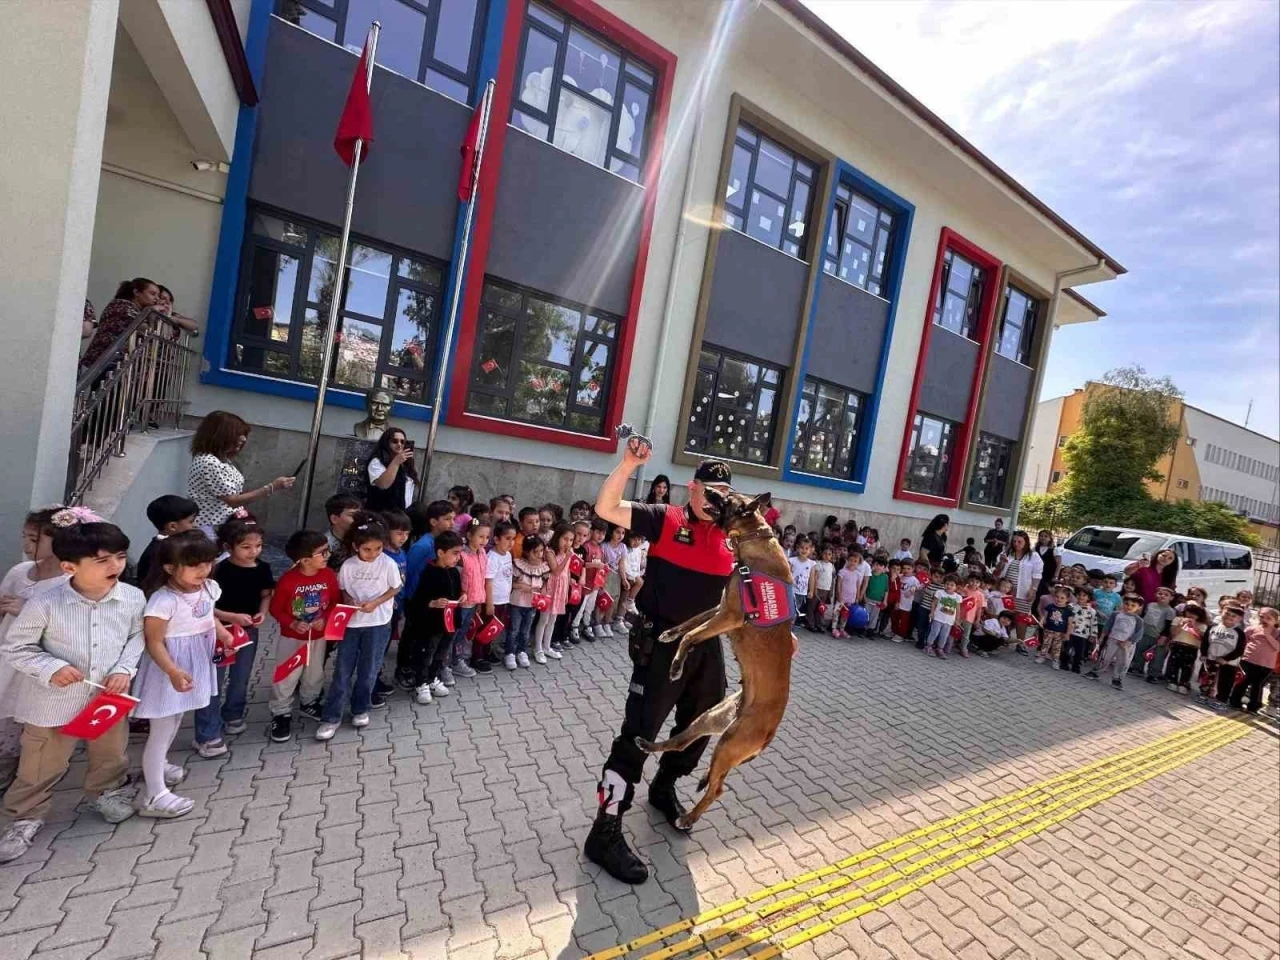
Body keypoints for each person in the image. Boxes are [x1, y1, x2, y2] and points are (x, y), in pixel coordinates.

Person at [587, 441, 736, 885]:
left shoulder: (733, 533)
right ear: (692, 489)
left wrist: (779, 632)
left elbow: (756, 585)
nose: (714, 500)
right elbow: (606, 507)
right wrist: (629, 464)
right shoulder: (666, 518)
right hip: (662, 644)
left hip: (706, 643)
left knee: (704, 722)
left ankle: (665, 785)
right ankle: (604, 832)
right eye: (708, 491)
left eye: (723, 494)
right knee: (639, 734)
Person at [0, 517, 143, 863]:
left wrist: (124, 669)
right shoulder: (45, 601)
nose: (115, 566)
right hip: (51, 701)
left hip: (106, 697)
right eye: (102, 560)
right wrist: (52, 668)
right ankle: (24, 816)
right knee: (40, 761)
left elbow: (136, 637)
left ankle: (107, 792)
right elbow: (16, 647)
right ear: (69, 567)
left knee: (110, 752)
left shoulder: (132, 597)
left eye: (120, 556)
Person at [135, 531, 229, 815]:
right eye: (193, 565)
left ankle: (160, 764)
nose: (203, 570)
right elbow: (154, 641)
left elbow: (209, 616)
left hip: (194, 663)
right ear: (169, 567)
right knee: (161, 729)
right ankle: (155, 795)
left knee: (176, 719)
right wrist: (173, 671)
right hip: (169, 669)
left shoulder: (208, 587)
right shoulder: (163, 600)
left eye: (208, 563)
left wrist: (224, 634)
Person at [317, 519, 402, 740]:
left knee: (369, 669)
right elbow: (343, 589)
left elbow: (395, 588)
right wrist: (349, 600)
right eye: (367, 549)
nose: (373, 554)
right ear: (356, 546)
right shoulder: (349, 566)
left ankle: (360, 708)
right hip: (352, 624)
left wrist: (376, 603)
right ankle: (331, 717)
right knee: (343, 670)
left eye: (378, 548)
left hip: (378, 624)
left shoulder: (388, 564)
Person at [201, 519, 274, 743]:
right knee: (215, 678)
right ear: (228, 547)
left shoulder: (263, 568)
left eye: (258, 546)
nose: (254, 552)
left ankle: (233, 714)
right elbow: (205, 606)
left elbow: (266, 595)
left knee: (241, 676)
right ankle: (210, 723)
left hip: (249, 631)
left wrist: (262, 613)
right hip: (219, 631)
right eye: (246, 547)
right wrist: (230, 617)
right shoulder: (218, 570)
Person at [267, 531, 340, 742]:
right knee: (287, 675)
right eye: (322, 552)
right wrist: (292, 623)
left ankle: (310, 702)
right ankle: (281, 713)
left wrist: (325, 618)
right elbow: (276, 609)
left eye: (327, 550)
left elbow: (334, 602)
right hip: (292, 638)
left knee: (314, 672)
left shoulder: (328, 575)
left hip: (318, 636)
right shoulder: (288, 580)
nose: (328, 555)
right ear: (305, 559)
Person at [187, 412, 294, 532]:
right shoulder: (209, 462)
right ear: (220, 435)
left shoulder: (221, 459)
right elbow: (232, 501)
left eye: (244, 434)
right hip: (212, 526)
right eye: (238, 434)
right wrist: (272, 487)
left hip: (224, 525)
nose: (243, 439)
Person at [403, 530, 463, 704]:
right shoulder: (429, 573)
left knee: (441, 653)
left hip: (449, 623)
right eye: (454, 553)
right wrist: (432, 603)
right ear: (440, 553)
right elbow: (419, 599)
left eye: (459, 553)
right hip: (431, 624)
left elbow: (457, 592)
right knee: (426, 653)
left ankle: (432, 678)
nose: (458, 557)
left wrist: (462, 597)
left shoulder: (454, 572)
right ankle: (420, 683)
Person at [80, 278, 160, 370]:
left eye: (158, 295)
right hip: (106, 363)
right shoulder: (122, 307)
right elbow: (147, 331)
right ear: (136, 292)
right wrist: (152, 314)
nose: (157, 299)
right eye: (152, 294)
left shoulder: (130, 308)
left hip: (108, 362)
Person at [451, 521, 489, 676]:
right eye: (480, 536)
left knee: (464, 632)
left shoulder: (482, 553)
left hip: (474, 602)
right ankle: (449, 663)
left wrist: (480, 601)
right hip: (462, 604)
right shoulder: (461, 556)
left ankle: (457, 659)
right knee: (455, 634)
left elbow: (482, 578)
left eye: (487, 537)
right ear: (469, 535)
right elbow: (457, 580)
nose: (484, 540)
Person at [134, 495, 199, 586]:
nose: (195, 525)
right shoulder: (159, 553)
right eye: (191, 521)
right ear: (173, 526)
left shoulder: (174, 545)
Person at [1086, 593, 1144, 689]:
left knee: (1123, 662)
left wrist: (1127, 642)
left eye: (1133, 605)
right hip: (1112, 640)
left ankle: (1117, 679)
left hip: (1126, 644)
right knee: (1105, 657)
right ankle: (1096, 672)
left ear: (1139, 607)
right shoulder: (1116, 614)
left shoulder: (1138, 620)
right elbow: (1108, 626)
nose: (1129, 607)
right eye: (1126, 604)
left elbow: (1138, 634)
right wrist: (1102, 637)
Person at [508, 538, 549, 670]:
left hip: (532, 604)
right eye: (535, 552)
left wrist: (543, 592)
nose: (539, 554)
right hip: (517, 603)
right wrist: (523, 587)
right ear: (526, 551)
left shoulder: (543, 567)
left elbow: (545, 584)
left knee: (525, 631)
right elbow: (510, 583)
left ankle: (522, 651)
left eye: (541, 551)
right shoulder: (518, 565)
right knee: (514, 630)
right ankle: (510, 653)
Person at [997, 531, 1043, 651]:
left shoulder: (1033, 556)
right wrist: (1001, 562)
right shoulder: (1006, 553)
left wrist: (1033, 589)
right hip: (1006, 591)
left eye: (1019, 541)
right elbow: (997, 572)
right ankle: (1003, 639)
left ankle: (1020, 643)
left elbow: (1037, 575)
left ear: (1026, 542)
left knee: (1021, 617)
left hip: (1024, 591)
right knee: (1005, 615)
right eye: (1014, 541)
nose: (1016, 544)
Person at [535, 524, 574, 664]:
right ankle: (538, 649)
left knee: (553, 619)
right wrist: (567, 557)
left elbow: (567, 572)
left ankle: (547, 646)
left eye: (571, 540)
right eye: (565, 539)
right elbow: (556, 571)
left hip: (561, 589)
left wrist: (567, 592)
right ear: (558, 537)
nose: (568, 543)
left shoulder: (568, 552)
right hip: (550, 588)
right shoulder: (550, 552)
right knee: (544, 619)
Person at [482, 521, 517, 669]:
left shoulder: (507, 554)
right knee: (485, 629)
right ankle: (479, 656)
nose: (511, 542)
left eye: (513, 539)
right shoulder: (492, 558)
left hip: (503, 600)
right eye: (507, 538)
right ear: (496, 539)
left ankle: (488, 651)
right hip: (493, 601)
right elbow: (488, 582)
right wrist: (489, 603)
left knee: (494, 628)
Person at [1198, 604, 1247, 708]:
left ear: (1239, 619)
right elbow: (1205, 642)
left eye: (1233, 616)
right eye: (1227, 614)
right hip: (1211, 658)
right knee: (1207, 678)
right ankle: (1204, 694)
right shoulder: (1213, 627)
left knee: (1225, 682)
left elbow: (1240, 650)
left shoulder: (1239, 633)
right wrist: (1204, 654)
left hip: (1228, 663)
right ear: (1221, 613)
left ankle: (1222, 700)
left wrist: (1226, 659)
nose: (1229, 617)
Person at [1230, 608, 1278, 712]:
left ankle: (1253, 707)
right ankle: (1234, 702)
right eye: (1262, 617)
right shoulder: (1251, 629)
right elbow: (1242, 643)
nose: (1264, 620)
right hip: (1248, 660)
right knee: (1243, 681)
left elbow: (1278, 647)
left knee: (1257, 685)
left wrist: (1267, 634)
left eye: (1268, 618)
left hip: (1266, 664)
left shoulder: (1277, 633)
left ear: (1275, 621)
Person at [365, 428, 418, 512]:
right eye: (395, 441)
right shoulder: (377, 461)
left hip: (401, 512)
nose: (399, 444)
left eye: (402, 442)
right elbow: (383, 484)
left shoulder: (406, 463)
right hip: (382, 512)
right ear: (386, 442)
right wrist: (396, 462)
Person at [1166, 602, 1209, 694]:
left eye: (1194, 614)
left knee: (1187, 666)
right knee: (1174, 664)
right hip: (1177, 644)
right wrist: (1181, 624)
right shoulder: (1178, 619)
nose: (1191, 615)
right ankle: (1172, 681)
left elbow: (1202, 638)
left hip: (1192, 647)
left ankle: (1184, 683)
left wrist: (1194, 627)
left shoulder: (1202, 625)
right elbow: (1173, 633)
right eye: (1189, 612)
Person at [1062, 586, 1099, 674]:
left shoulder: (1092, 611)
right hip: (1070, 632)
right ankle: (1064, 663)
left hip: (1083, 635)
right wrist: (1063, 629)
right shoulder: (1070, 606)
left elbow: (1094, 623)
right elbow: (1064, 618)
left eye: (1084, 595)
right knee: (1066, 649)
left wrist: (1093, 635)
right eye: (1079, 594)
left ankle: (1076, 666)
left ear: (1089, 597)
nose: (1081, 597)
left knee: (1079, 653)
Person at [1036, 585, 1075, 667]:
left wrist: (1067, 634)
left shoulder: (1068, 610)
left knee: (1057, 647)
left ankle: (1055, 660)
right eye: (1057, 597)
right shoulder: (1050, 606)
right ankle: (1042, 656)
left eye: (1062, 598)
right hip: (1049, 629)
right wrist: (1042, 621)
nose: (1059, 599)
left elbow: (1070, 623)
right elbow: (1044, 616)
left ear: (1067, 599)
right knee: (1046, 643)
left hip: (1060, 632)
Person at [925, 574, 962, 658]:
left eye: (952, 585)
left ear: (956, 587)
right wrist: (932, 612)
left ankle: (940, 649)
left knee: (944, 635)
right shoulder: (939, 592)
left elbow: (958, 609)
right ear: (944, 584)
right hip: (938, 618)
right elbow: (934, 603)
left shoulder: (957, 597)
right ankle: (929, 646)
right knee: (934, 632)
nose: (949, 586)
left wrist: (957, 620)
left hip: (949, 621)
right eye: (947, 584)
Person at [324, 494, 363, 568]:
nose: (359, 519)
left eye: (359, 515)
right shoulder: (323, 546)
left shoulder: (364, 538)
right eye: (353, 515)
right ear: (334, 519)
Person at [788, 537, 817, 631]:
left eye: (806, 548)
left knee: (796, 610)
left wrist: (811, 591)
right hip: (791, 590)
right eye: (802, 548)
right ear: (797, 548)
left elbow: (812, 578)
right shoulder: (792, 560)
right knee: (790, 609)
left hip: (801, 592)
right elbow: (787, 574)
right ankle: (788, 627)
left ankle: (790, 627)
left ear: (810, 550)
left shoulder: (812, 564)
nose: (804, 550)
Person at [808, 543, 836, 634]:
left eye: (829, 554)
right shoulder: (818, 564)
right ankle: (811, 624)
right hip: (818, 588)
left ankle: (819, 625)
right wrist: (814, 589)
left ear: (832, 555)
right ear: (821, 554)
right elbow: (815, 577)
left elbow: (832, 579)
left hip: (826, 590)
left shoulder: (832, 566)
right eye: (825, 553)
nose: (827, 556)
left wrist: (831, 590)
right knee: (812, 607)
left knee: (821, 608)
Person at [1032, 530, 1058, 606]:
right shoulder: (1036, 548)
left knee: (1043, 593)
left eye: (1046, 536)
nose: (1043, 538)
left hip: (1047, 576)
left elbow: (1058, 564)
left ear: (1050, 538)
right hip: (1037, 574)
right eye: (1041, 536)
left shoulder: (1054, 549)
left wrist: (1055, 576)